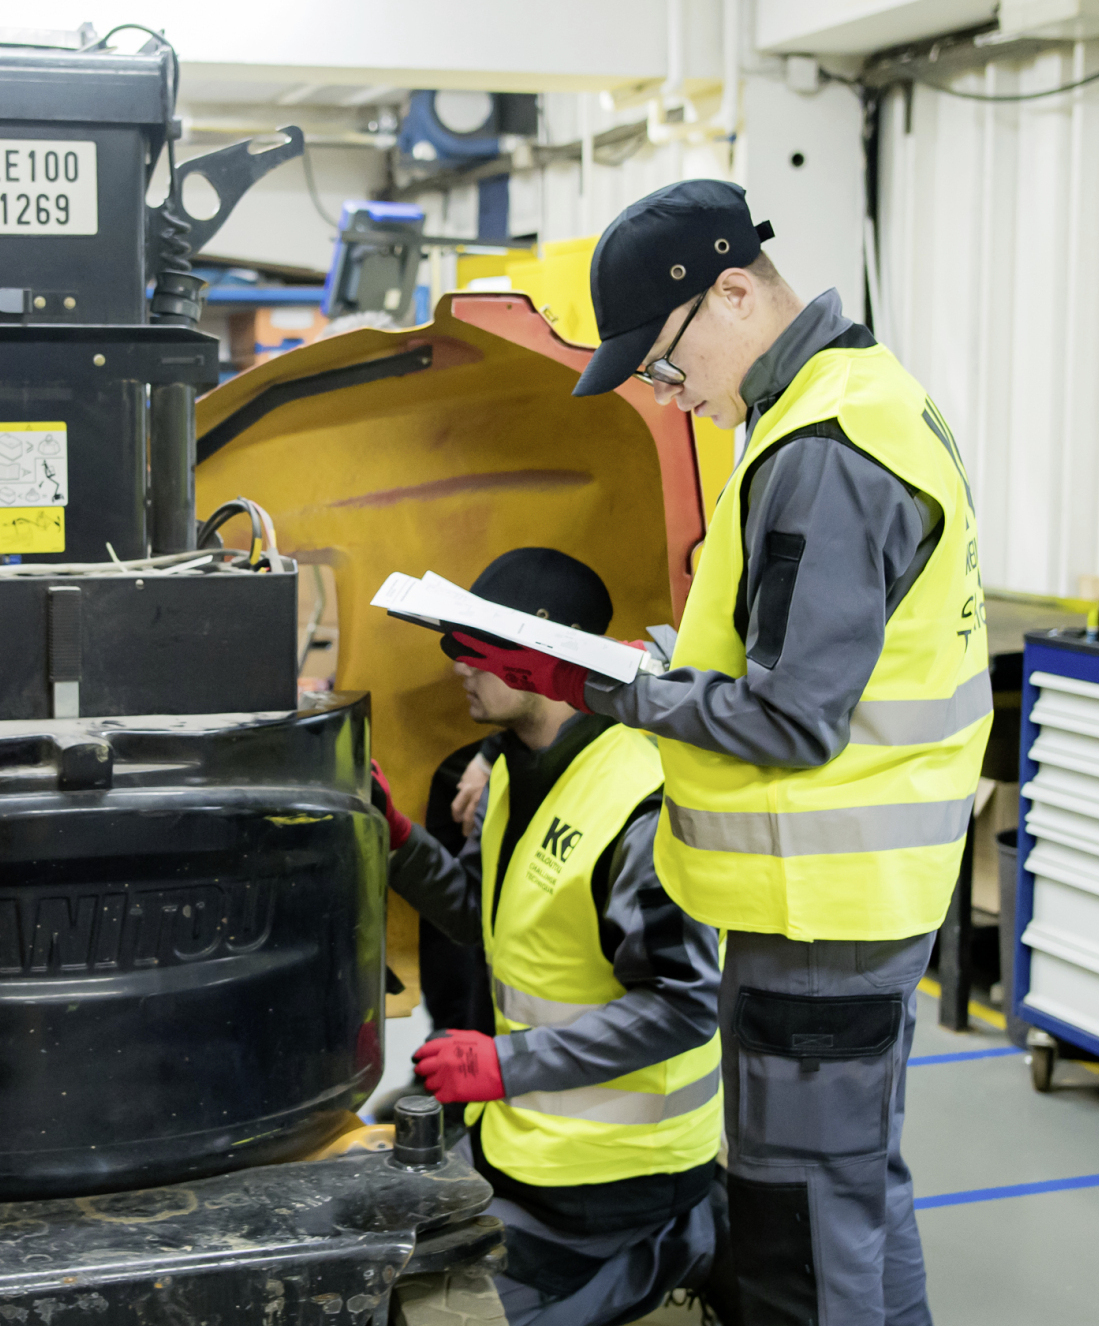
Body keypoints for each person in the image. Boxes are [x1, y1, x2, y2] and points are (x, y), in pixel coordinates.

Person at [449, 180, 988, 1326]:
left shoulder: (823, 448)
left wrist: (607, 682)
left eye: (660, 362)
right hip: (843, 900)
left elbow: (792, 720)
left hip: (817, 913)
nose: (670, 393)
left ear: (729, 291)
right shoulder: (855, 402)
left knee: (797, 1232)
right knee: (853, 1194)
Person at [369, 547, 726, 1326]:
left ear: (542, 655)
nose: (455, 665)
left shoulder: (639, 801)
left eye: (472, 648)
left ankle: (677, 1242)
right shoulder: (510, 770)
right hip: (526, 1140)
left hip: (615, 1173)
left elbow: (683, 1006)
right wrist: (395, 838)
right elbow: (480, 915)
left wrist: (501, 1061)